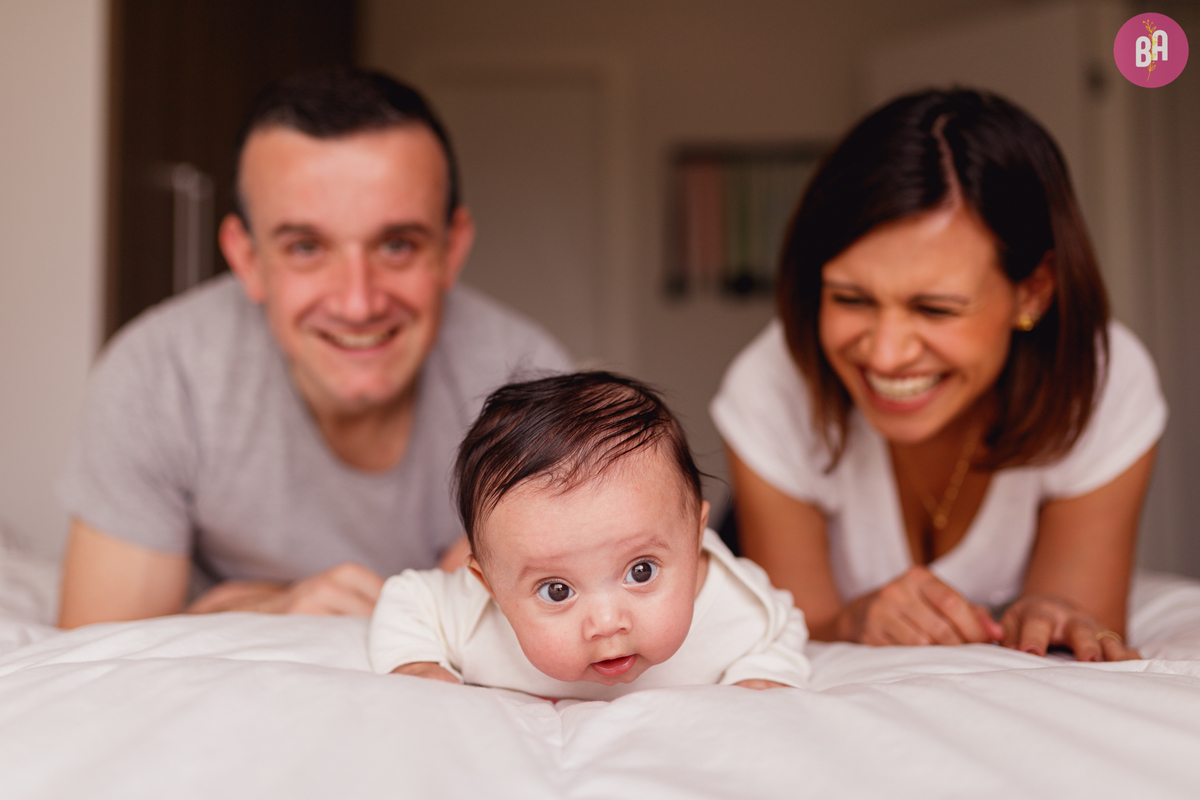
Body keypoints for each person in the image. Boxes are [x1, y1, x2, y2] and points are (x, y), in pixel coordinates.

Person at [57, 69, 572, 627]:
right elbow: (96, 655)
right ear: (247, 258)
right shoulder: (159, 375)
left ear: (452, 249)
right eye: (306, 247)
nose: (357, 303)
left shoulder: (529, 384)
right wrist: (267, 609)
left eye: (397, 245)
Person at [711, 88, 1166, 663]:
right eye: (851, 298)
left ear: (1033, 290)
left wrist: (1052, 616)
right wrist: (850, 621)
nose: (886, 355)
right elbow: (792, 633)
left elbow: (1079, 627)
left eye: (935, 309)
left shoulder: (1105, 381)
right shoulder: (771, 382)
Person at [369, 372, 810, 700]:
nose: (606, 623)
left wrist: (764, 675)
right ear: (491, 587)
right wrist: (417, 663)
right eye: (556, 590)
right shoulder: (475, 617)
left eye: (641, 571)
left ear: (695, 538)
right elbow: (408, 598)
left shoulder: (735, 608)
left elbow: (783, 623)